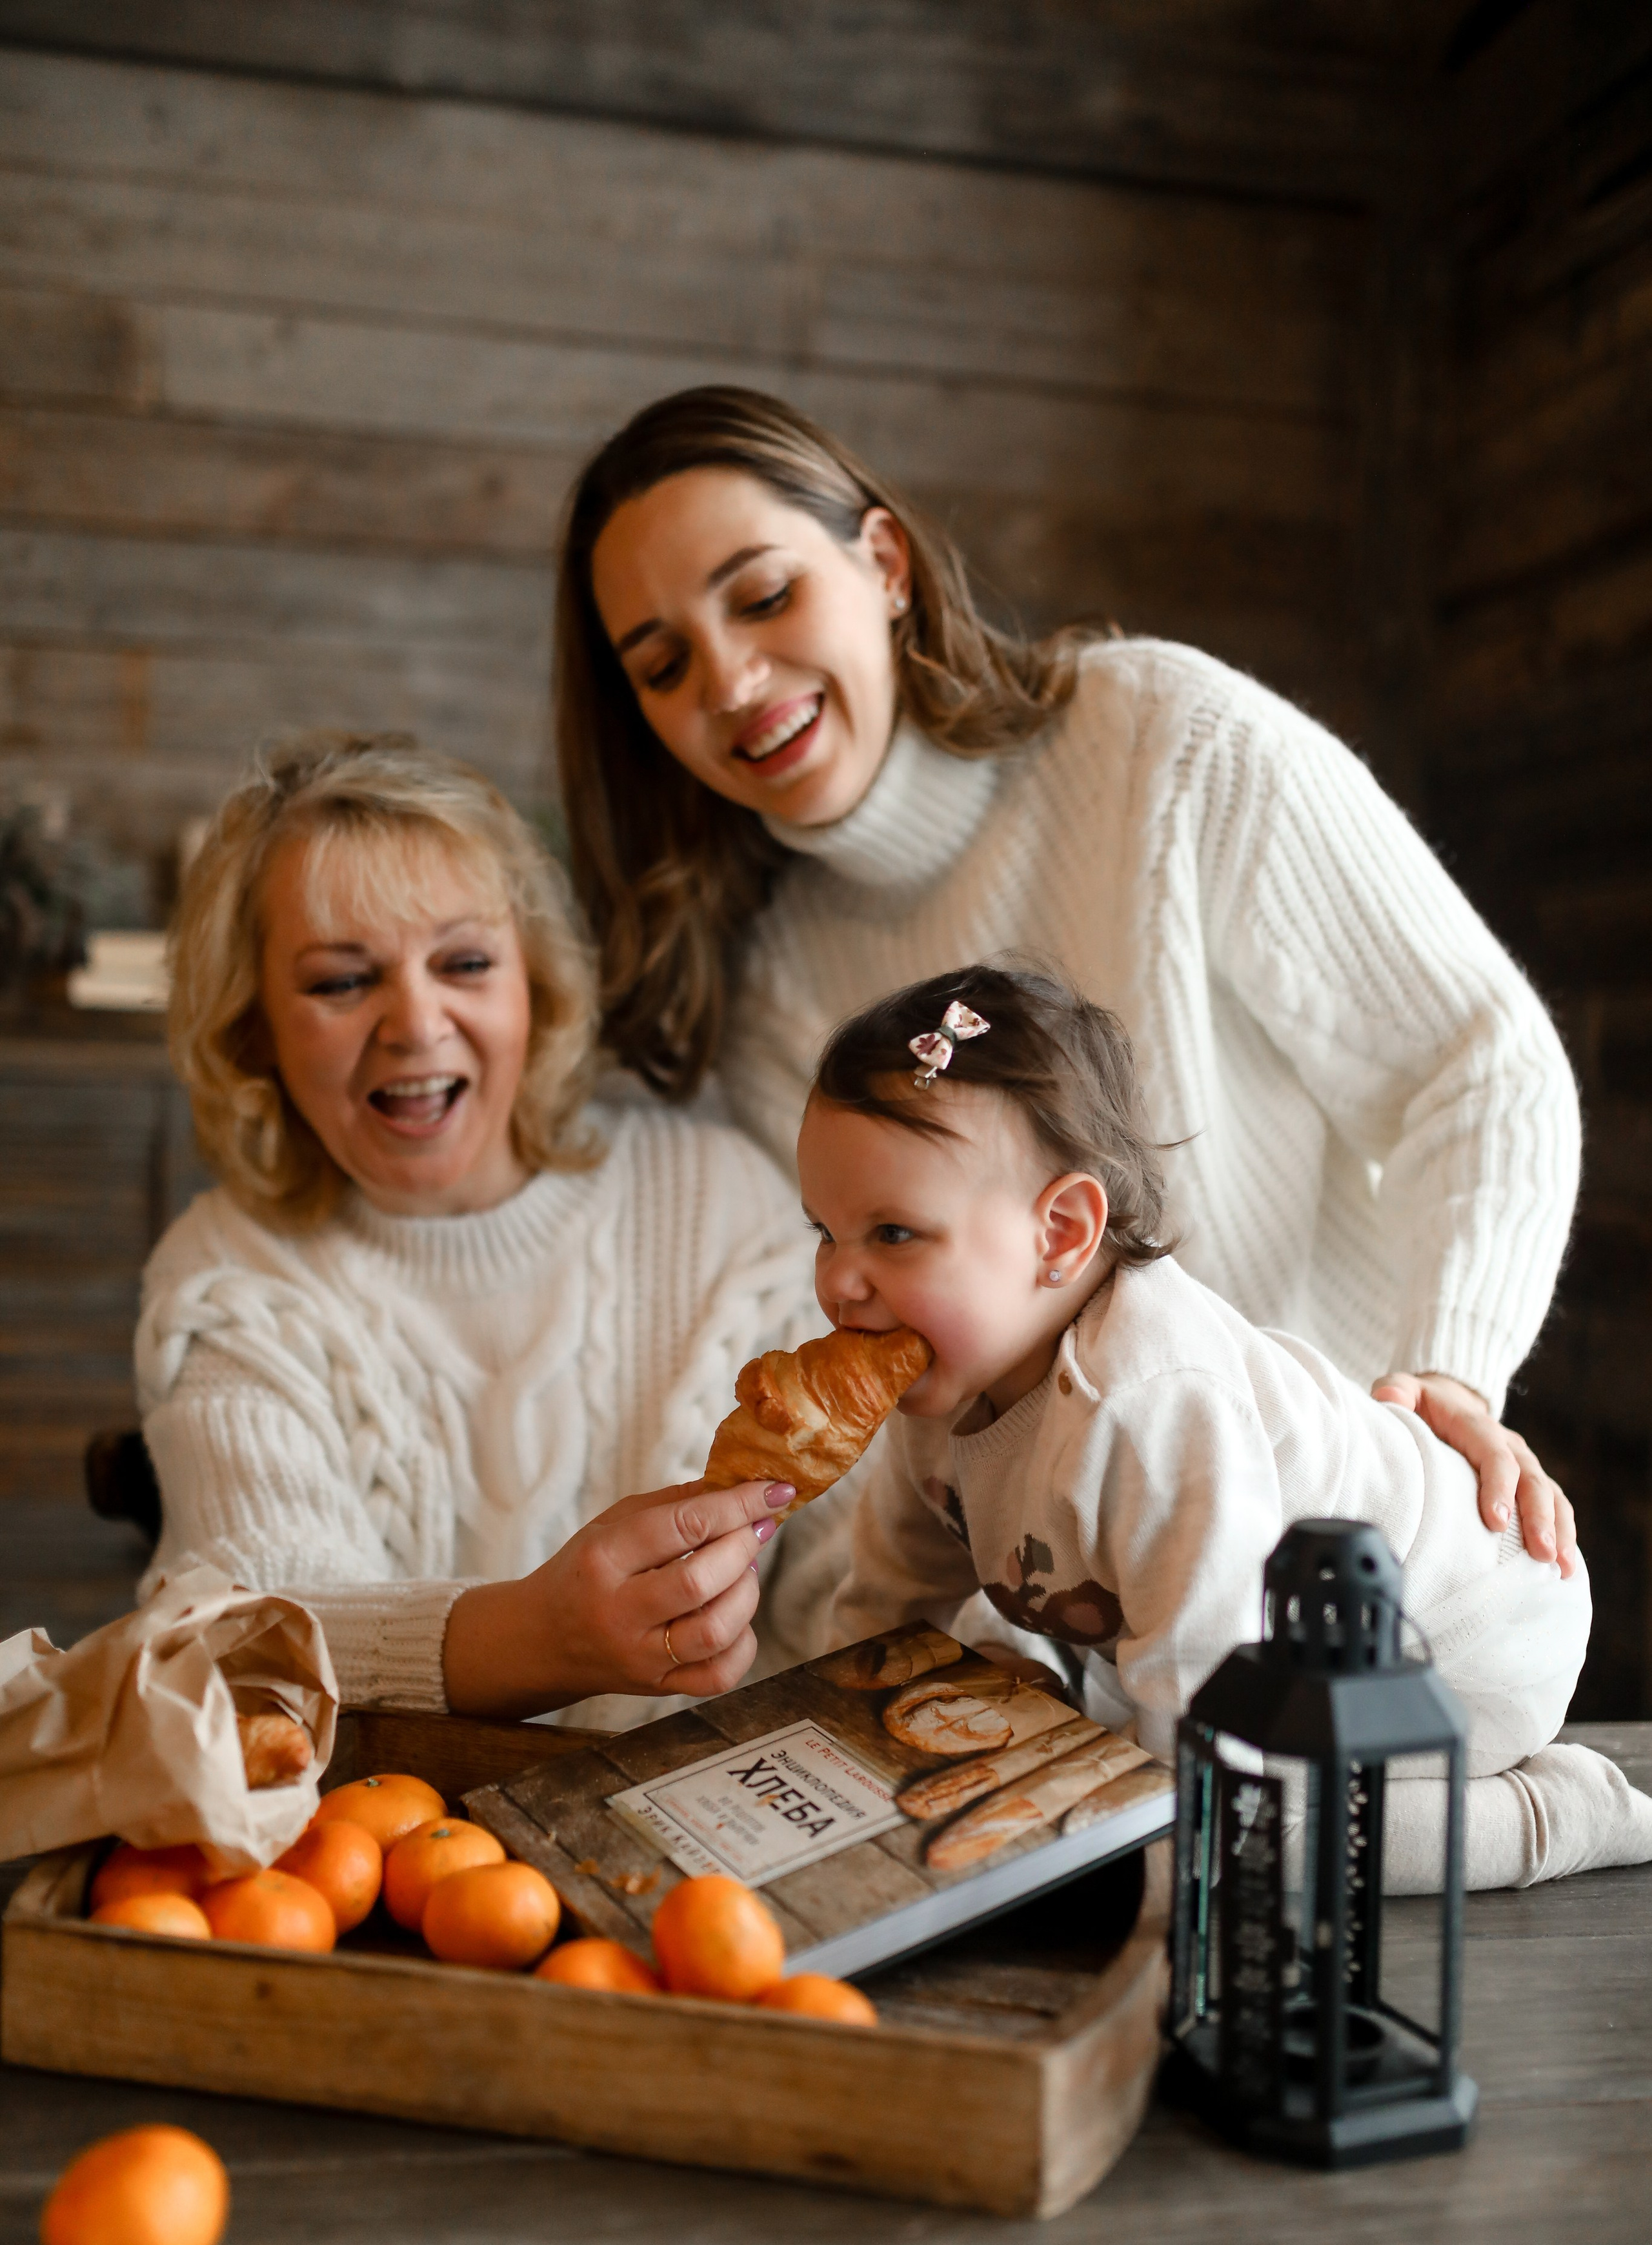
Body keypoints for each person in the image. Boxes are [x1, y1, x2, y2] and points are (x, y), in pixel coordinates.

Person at [556, 383, 1582, 1600]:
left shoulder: (1166, 743)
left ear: (884, 563)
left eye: (766, 596)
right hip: (1069, 1615)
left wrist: (1448, 1376)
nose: (728, 682)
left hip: (1346, 1537)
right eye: (665, 664)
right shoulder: (768, 985)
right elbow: (890, 1351)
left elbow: (1479, 1066)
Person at [799, 965, 1652, 1892]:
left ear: (1060, 1234)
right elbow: (888, 1616)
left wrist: (1156, 1894)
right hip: (1231, 1633)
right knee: (1012, 1677)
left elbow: (1205, 1717)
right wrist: (841, 1755)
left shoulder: (1149, 1403)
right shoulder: (934, 1384)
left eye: (892, 1236)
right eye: (824, 1232)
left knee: (1255, 1838)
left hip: (1452, 1625)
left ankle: (1558, 1812)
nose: (839, 1283)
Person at [136, 731, 832, 1728]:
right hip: (400, 1853)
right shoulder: (228, 1273)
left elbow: (862, 1576)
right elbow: (252, 1634)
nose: (416, 1024)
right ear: (254, 1026)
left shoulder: (720, 1202)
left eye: (464, 962)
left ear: (534, 987)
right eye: (341, 981)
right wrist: (547, 1636)